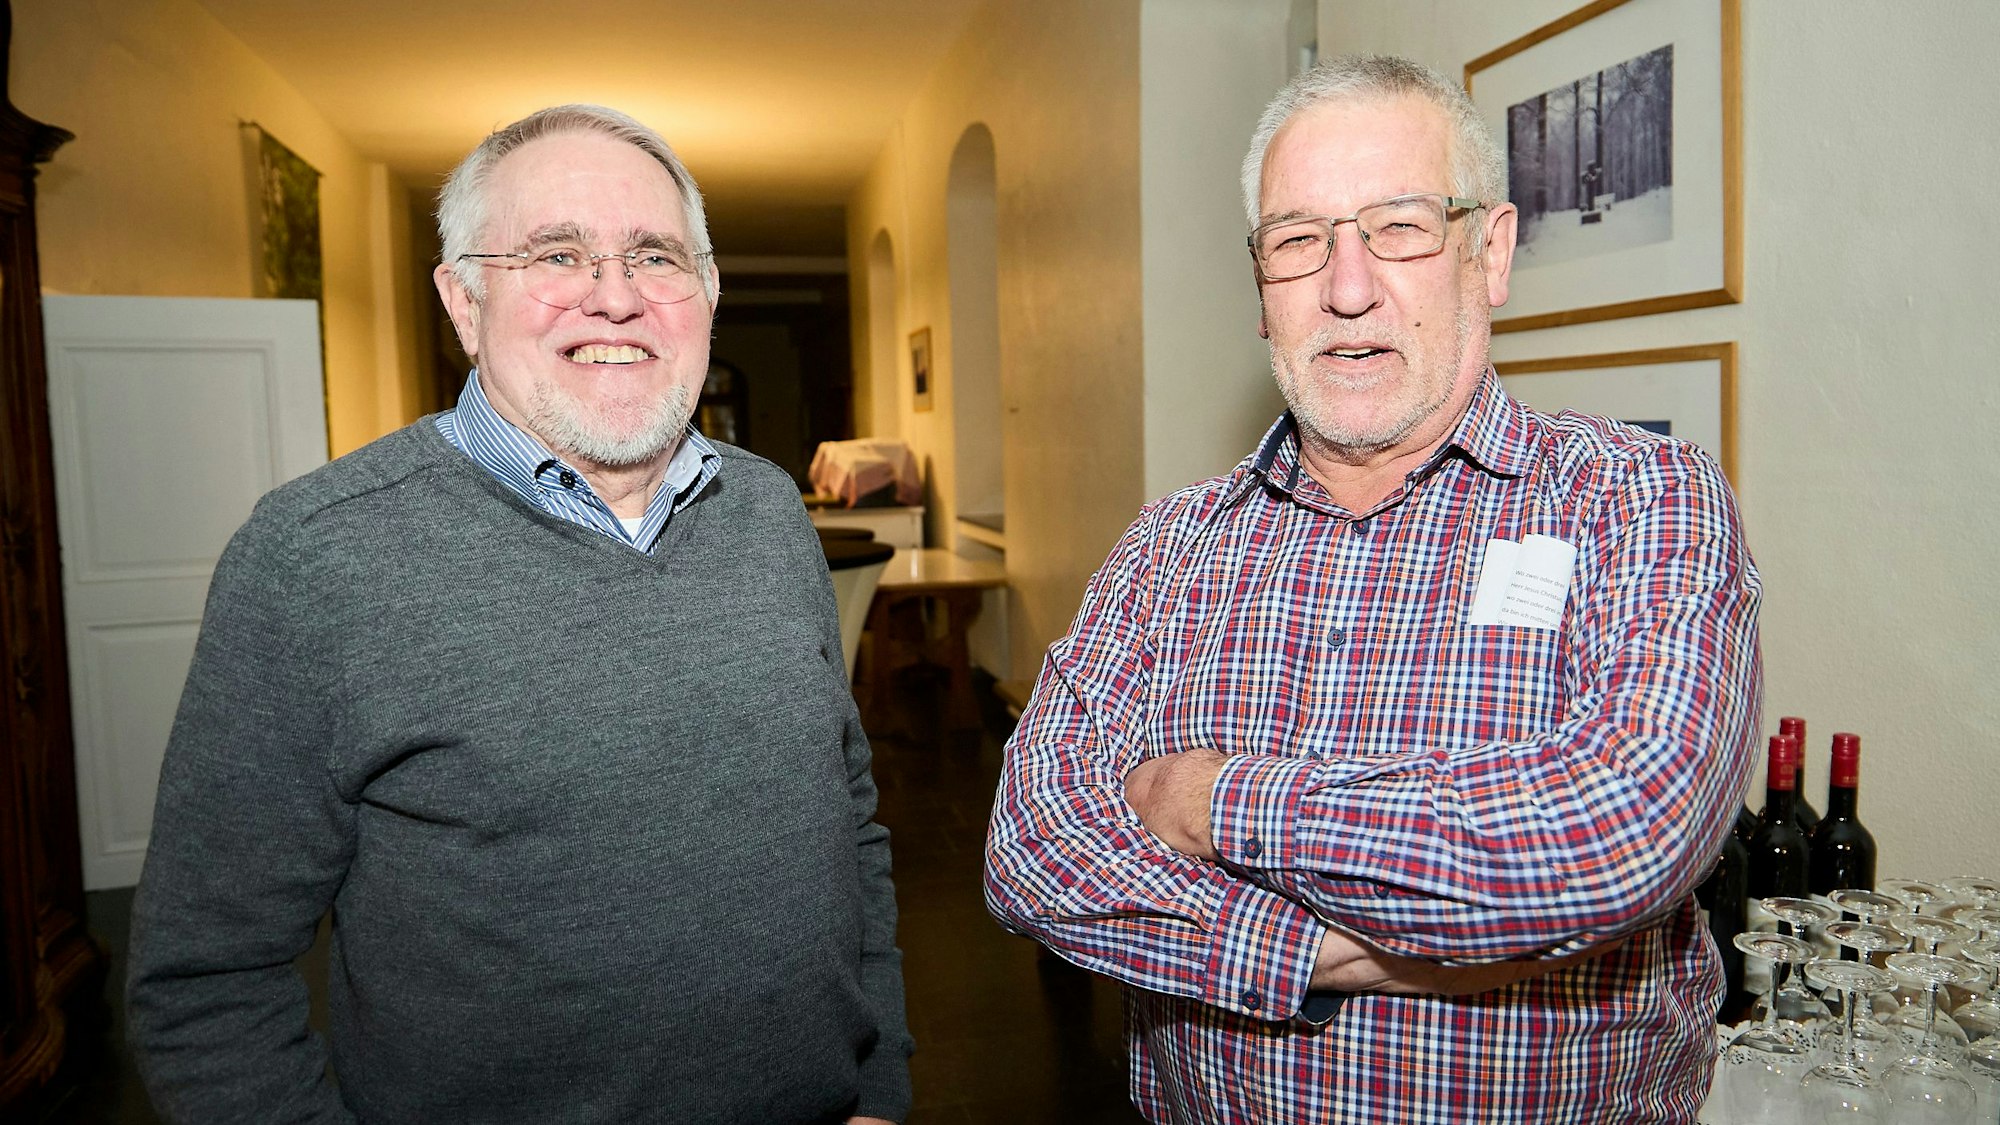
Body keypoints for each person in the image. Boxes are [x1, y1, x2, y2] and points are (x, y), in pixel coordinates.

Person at [985, 56, 1760, 1123]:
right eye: (1297, 241)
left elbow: (1617, 830)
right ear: (1260, 287)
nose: (1345, 289)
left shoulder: (1638, 499)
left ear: (1487, 254)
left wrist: (1202, 799)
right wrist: (1325, 955)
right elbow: (1029, 846)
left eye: (1397, 227)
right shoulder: (1169, 544)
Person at [128, 105, 911, 1125]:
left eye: (656, 258)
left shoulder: (765, 509)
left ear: (708, 293)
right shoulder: (314, 557)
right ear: (463, 300)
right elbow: (208, 980)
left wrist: (880, 1087)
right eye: (556, 253)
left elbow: (846, 815)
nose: (615, 299)